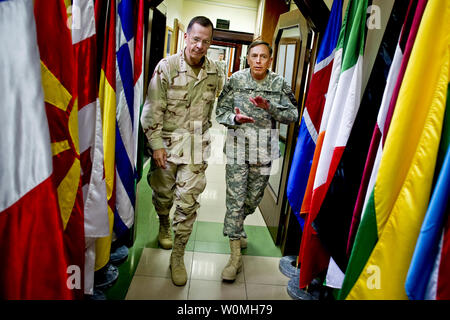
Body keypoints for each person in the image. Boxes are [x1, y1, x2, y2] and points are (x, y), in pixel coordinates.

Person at [140, 16, 223, 286]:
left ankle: (178, 255)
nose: (200, 45)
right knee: (163, 194)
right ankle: (163, 220)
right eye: (195, 39)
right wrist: (156, 146)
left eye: (206, 41)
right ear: (186, 37)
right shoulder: (167, 67)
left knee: (188, 203)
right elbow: (153, 109)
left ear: (211, 43)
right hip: (167, 146)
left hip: (196, 149)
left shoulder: (215, 72)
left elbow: (218, 106)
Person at [216, 40, 298, 281]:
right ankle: (234, 258)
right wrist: (235, 118)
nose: (259, 60)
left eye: (263, 56)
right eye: (254, 56)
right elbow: (220, 111)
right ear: (248, 58)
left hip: (264, 151)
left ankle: (238, 225)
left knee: (252, 199)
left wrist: (270, 107)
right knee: (235, 200)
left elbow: (293, 114)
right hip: (237, 149)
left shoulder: (279, 83)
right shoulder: (235, 80)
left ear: (270, 60)